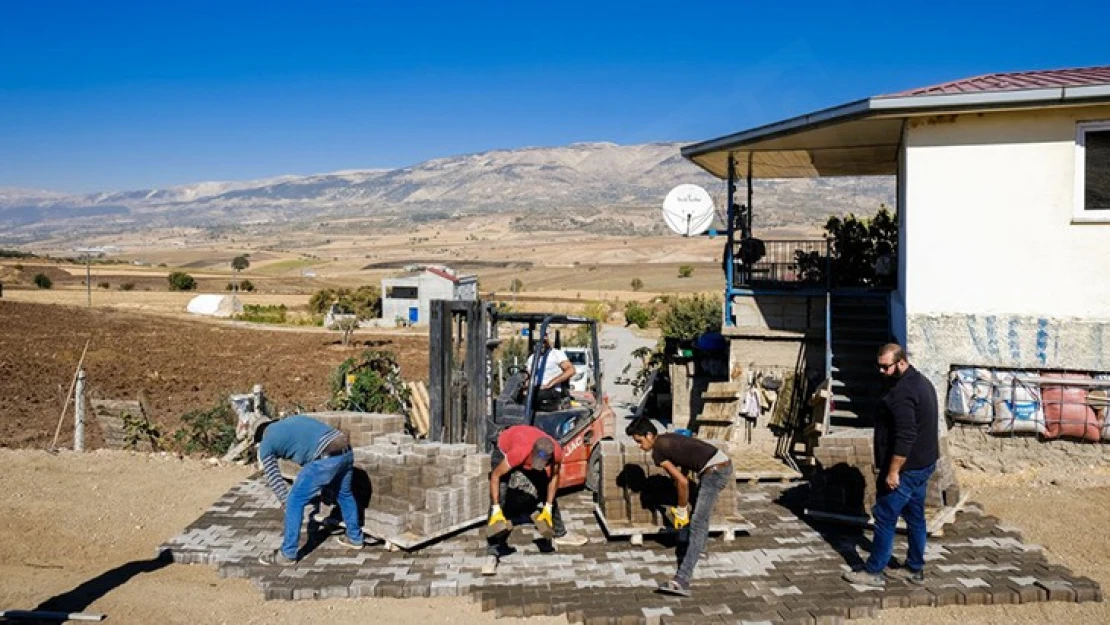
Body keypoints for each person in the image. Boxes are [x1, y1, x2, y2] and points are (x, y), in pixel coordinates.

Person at [843, 343, 939, 587]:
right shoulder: (920, 381)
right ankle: (914, 568)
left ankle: (874, 571)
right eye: (879, 366)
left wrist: (893, 470)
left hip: (907, 468)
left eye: (886, 367)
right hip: (924, 462)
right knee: (915, 514)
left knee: (885, 515)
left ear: (902, 362)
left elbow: (906, 436)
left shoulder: (902, 394)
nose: (881, 371)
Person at [626, 419, 733, 597]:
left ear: (649, 435)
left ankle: (682, 579)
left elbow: (681, 481)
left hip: (714, 472)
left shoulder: (657, 452)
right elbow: (684, 459)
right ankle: (698, 549)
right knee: (701, 515)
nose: (639, 446)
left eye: (639, 441)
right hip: (721, 465)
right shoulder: (667, 439)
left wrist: (681, 508)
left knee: (698, 521)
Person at [255, 415, 365, 565]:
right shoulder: (292, 421)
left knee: (294, 501)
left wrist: (285, 501)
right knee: (344, 493)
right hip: (346, 451)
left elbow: (275, 480)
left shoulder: (266, 445)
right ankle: (355, 537)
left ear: (260, 435)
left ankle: (287, 554)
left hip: (325, 458)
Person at [483, 424, 588, 575]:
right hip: (505, 447)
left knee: (546, 490)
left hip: (528, 446)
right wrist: (496, 509)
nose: (536, 467)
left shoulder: (556, 452)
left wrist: (548, 507)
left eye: (542, 464)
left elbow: (554, 477)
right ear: (532, 454)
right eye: (535, 463)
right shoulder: (518, 453)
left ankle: (560, 533)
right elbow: (495, 476)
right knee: (501, 496)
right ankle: (492, 553)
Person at [523, 336, 576, 408]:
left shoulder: (556, 354)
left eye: (543, 342)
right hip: (536, 388)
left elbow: (571, 370)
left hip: (552, 389)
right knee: (517, 396)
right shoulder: (532, 357)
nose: (540, 345)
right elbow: (528, 374)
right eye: (537, 342)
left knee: (531, 397)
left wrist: (550, 384)